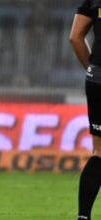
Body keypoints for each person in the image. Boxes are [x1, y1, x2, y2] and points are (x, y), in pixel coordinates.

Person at [70, 1, 101, 219]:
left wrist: (91, 69)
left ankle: (84, 217)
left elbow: (75, 37)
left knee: (99, 152)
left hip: (98, 77)